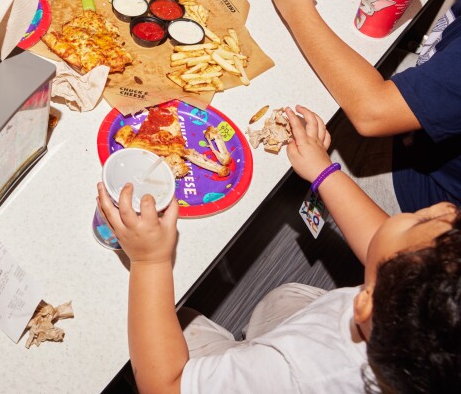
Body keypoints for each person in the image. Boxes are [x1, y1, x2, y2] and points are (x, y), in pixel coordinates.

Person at [97, 105, 461, 393]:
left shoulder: (302, 373)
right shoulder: (400, 305)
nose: (447, 208)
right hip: (309, 328)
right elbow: (381, 249)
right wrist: (323, 170)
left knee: (145, 328)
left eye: (421, 221)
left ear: (366, 303)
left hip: (279, 371)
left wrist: (151, 260)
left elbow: (164, 387)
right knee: (282, 300)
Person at [266, 0, 461, 212]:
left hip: (425, 197)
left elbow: (372, 114)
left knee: (283, 132)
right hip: (424, 126)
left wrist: (297, 8)